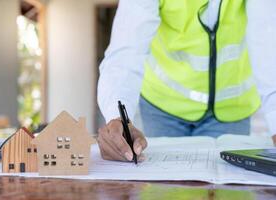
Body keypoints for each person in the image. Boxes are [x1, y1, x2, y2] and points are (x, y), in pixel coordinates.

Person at [97, 0, 276, 162]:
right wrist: (118, 117)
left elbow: (269, 46)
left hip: (231, 107)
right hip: (163, 105)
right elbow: (126, 51)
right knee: (166, 190)